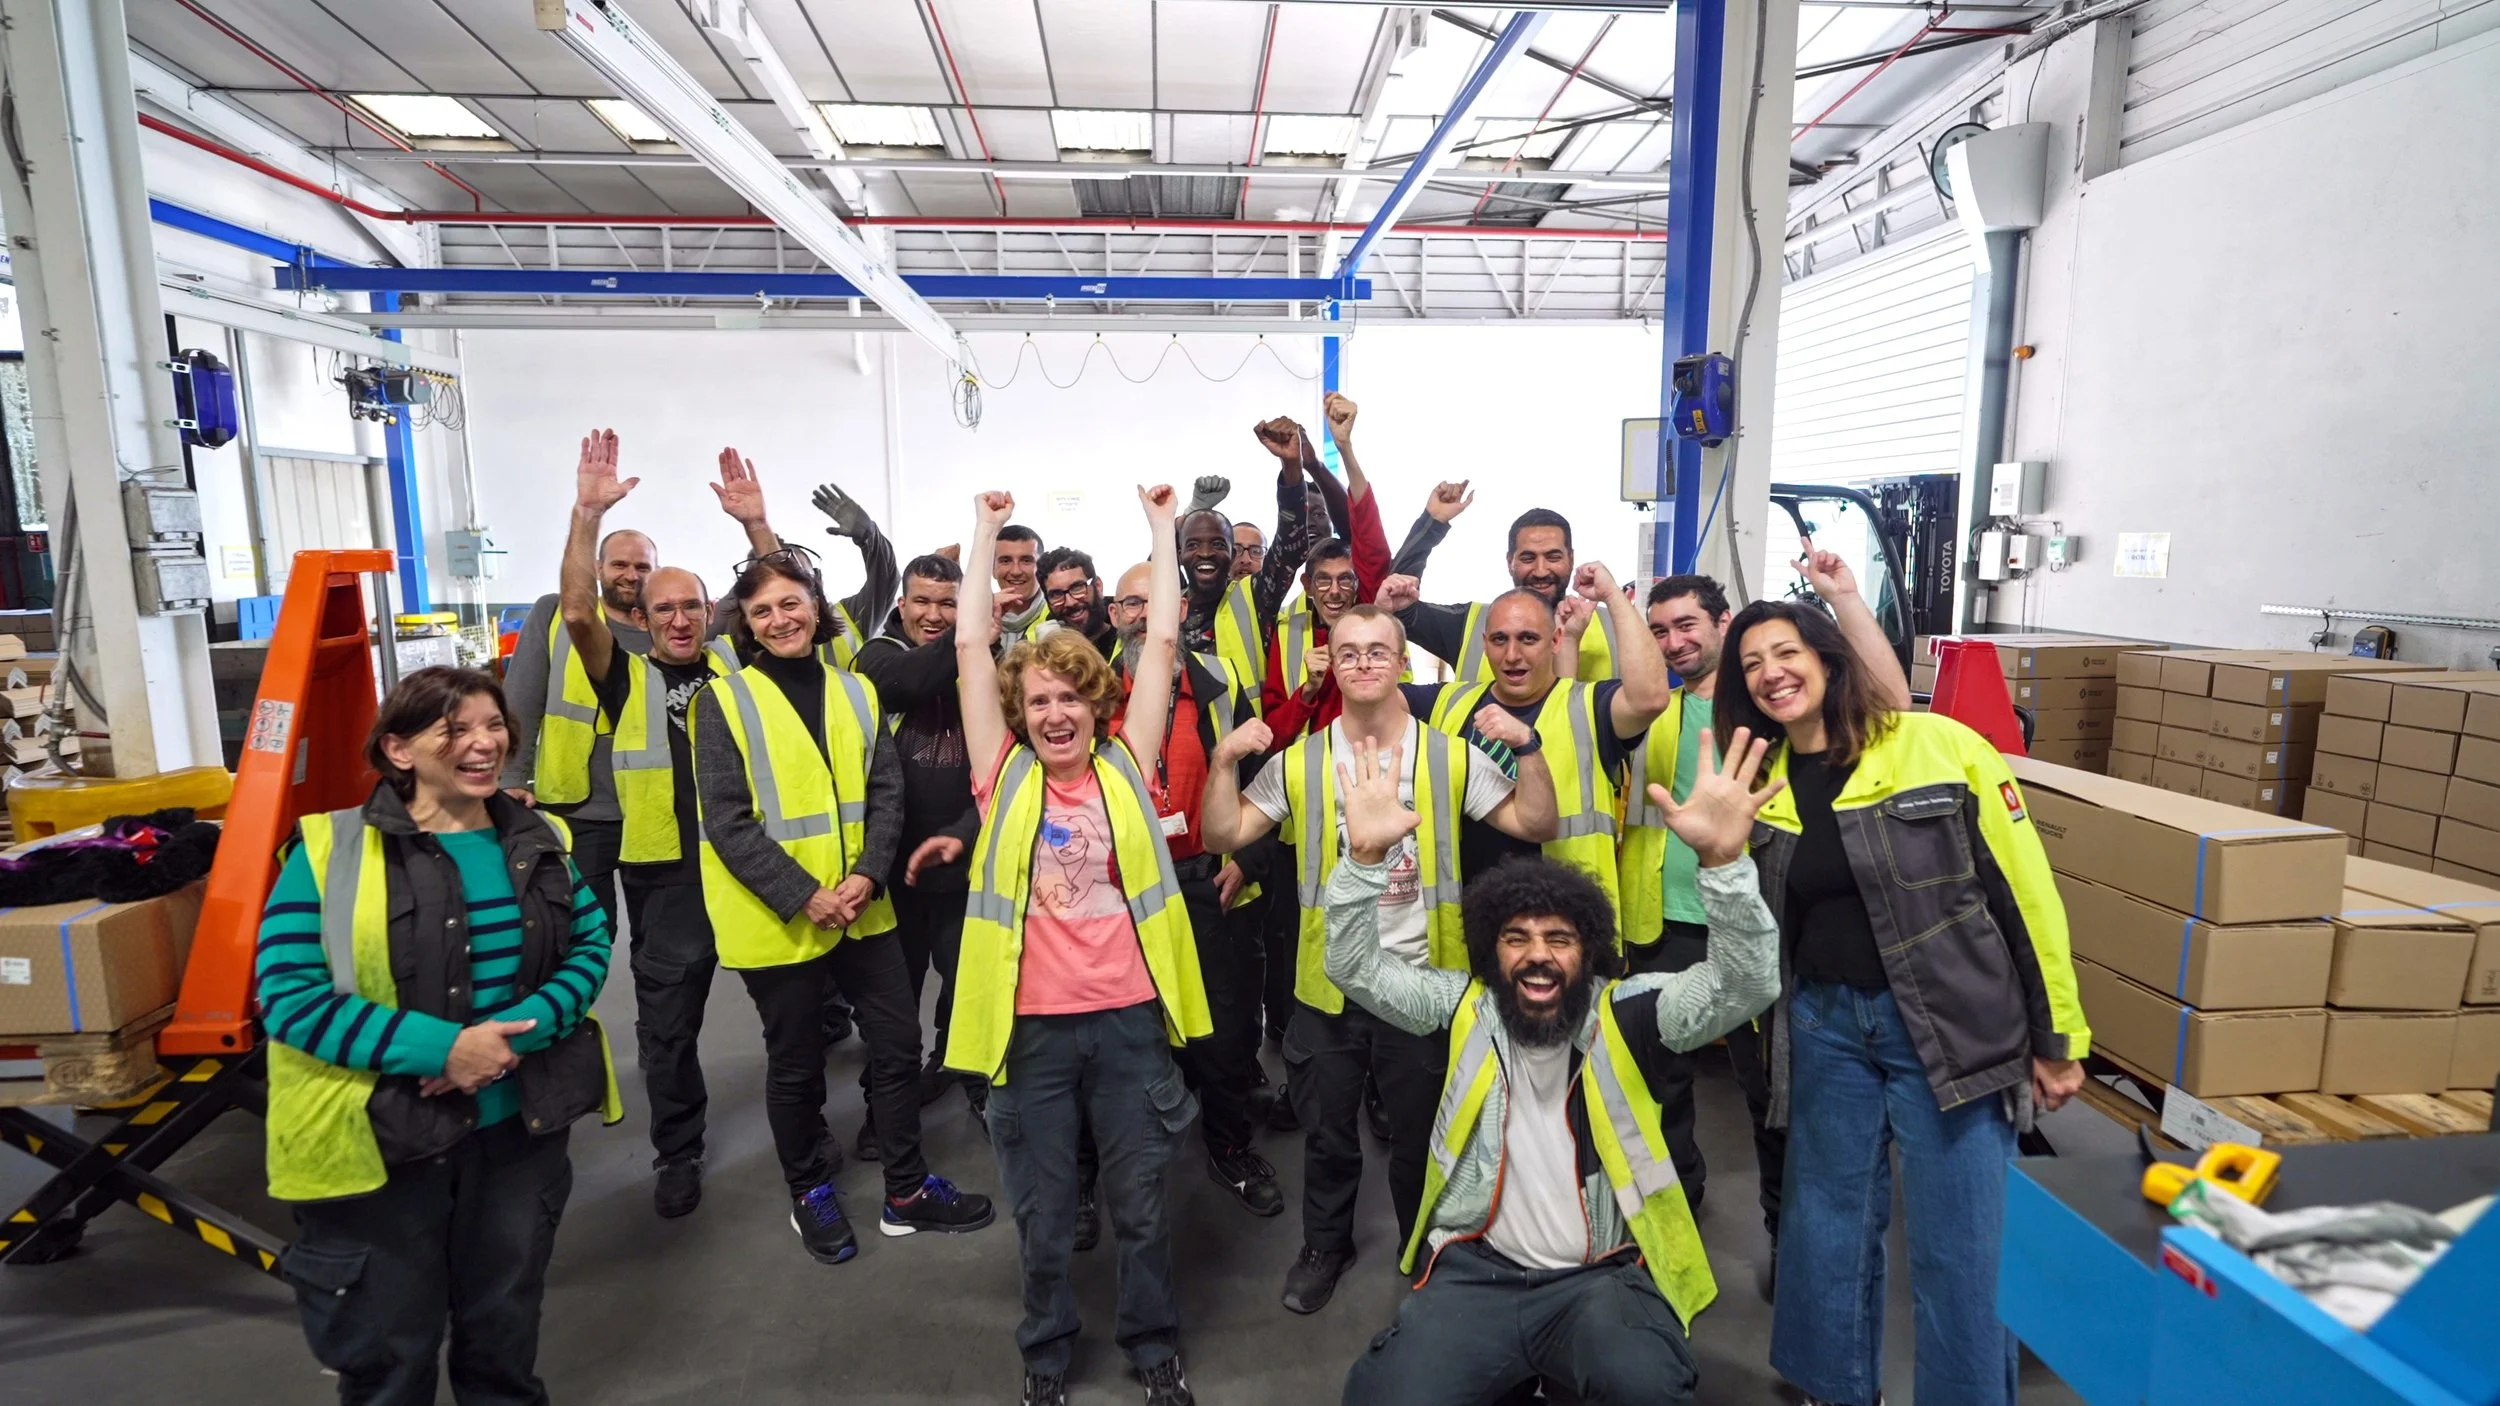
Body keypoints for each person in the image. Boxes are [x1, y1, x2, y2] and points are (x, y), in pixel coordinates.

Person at [1325, 721, 1787, 1406]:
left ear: (1588, 951)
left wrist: (1724, 867)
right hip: (1476, 1272)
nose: (1537, 954)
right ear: (1492, 952)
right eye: (1516, 938)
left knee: (1652, 1391)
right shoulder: (1461, 1009)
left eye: (1559, 939)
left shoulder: (1631, 1015)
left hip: (1600, 1276)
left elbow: (1746, 984)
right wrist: (1364, 858)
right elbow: (1353, 967)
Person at [1713, 600, 2088, 1406]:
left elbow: (2025, 894)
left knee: (1964, 1242)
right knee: (1827, 1223)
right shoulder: (1761, 782)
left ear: (1827, 656)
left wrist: (2059, 1034)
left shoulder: (1937, 747)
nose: (1771, 673)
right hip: (1825, 1025)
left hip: (1951, 1029)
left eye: (1785, 652)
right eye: (1751, 664)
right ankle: (1833, 1387)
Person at [257, 666, 618, 1405]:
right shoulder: (331, 851)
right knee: (389, 1354)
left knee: (504, 1332)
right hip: (385, 1143)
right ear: (397, 749)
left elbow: (590, 945)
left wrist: (514, 1038)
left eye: (493, 726)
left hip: (517, 1131)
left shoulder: (534, 836)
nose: (483, 744)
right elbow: (289, 998)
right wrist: (443, 1050)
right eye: (454, 730)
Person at [1199, 605, 1560, 1318]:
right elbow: (1225, 830)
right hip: (1326, 986)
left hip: (1423, 987)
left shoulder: (1448, 755)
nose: (1363, 664)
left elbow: (1534, 822)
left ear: (1403, 664)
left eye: (1377, 652)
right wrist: (1220, 763)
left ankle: (1427, 1248)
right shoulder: (1300, 761)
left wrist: (1531, 749)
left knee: (1422, 1136)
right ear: (1331, 665)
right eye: (1348, 653)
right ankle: (1325, 1246)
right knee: (1329, 1135)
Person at [950, 485, 1210, 1406]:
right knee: (1045, 1213)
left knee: (1141, 1208)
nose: (1056, 714)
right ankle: (1046, 1355)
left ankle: (1152, 1345)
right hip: (1031, 1033)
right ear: (1020, 715)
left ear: (1099, 703)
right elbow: (972, 646)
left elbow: (1165, 643)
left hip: (1130, 1023)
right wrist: (983, 532)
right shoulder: (1002, 775)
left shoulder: (1127, 765)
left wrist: (1162, 530)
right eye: (1040, 701)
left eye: (1071, 697)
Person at [691, 544, 993, 1265]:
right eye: (762, 610)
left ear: (818, 607)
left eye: (791, 603)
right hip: (783, 919)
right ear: (747, 623)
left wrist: (868, 875)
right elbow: (727, 821)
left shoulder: (854, 689)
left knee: (897, 1047)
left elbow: (885, 789)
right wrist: (805, 894)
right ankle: (809, 1191)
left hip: (865, 906)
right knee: (795, 1062)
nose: (779, 619)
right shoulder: (723, 701)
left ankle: (906, 1191)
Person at [1618, 554, 1909, 1270]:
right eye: (1658, 630)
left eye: (1688, 624)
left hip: (1766, 929)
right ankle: (1684, 1210)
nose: (1673, 640)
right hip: (1676, 921)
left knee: (1779, 1099)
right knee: (1689, 1086)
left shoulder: (1773, 721)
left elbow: (1891, 709)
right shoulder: (1656, 708)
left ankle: (1788, 1237)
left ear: (1722, 623)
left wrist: (1841, 596)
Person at [555, 431, 749, 1219]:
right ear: (641, 614)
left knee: (799, 1013)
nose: (678, 618)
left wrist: (755, 526)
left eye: (690, 605)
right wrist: (586, 515)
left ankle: (812, 1144)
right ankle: (679, 1150)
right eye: (663, 607)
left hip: (752, 865)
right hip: (668, 876)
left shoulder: (740, 665)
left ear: (709, 611)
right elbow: (573, 610)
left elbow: (790, 594)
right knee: (668, 1027)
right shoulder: (623, 678)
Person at [1105, 559, 1281, 1220]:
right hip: (1117, 888)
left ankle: (1228, 1146)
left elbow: (1263, 780)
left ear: (1181, 609)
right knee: (1120, 1029)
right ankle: (1118, 1160)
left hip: (1204, 879)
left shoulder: (1217, 683)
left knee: (1225, 1028)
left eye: (1155, 604)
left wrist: (1248, 855)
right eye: (1129, 604)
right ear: (1113, 613)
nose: (1142, 617)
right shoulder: (1090, 686)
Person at [499, 500, 764, 933]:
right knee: (584, 930)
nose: (630, 574)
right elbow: (521, 698)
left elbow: (752, 596)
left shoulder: (685, 626)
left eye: (643, 566)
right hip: (581, 805)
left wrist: (753, 523)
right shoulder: (557, 616)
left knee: (666, 938)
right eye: (619, 564)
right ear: (598, 567)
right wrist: (510, 777)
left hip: (660, 810)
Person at [1385, 561, 1670, 918]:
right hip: (1469, 919)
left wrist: (1613, 597)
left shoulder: (1588, 705)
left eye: (1528, 639)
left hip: (1567, 922)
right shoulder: (1449, 701)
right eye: (1500, 639)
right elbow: (1370, 697)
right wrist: (1382, 617)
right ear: (1485, 643)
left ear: (1555, 641)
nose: (1512, 655)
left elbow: (1651, 698)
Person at [852, 552, 984, 1115]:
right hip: (893, 867)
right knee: (892, 1000)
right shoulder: (878, 656)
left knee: (969, 986)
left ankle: (960, 1070)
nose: (933, 614)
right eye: (922, 601)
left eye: (948, 603)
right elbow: (910, 683)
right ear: (901, 605)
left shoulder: (981, 656)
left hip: (964, 860)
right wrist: (972, 635)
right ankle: (886, 1107)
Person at [1392, 502, 1621, 683]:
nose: (1541, 571)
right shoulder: (1470, 625)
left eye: (1553, 557)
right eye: (1528, 558)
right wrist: (1433, 523)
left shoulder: (1614, 625)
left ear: (1571, 559)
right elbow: (1400, 604)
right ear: (1510, 561)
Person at [1177, 415, 1316, 707]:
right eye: (1193, 544)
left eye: (1218, 544)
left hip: (1244, 743)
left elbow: (1291, 546)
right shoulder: (1162, 606)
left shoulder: (1253, 598)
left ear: (1229, 553)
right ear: (1179, 553)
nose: (1205, 553)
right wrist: (1189, 512)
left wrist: (1291, 466)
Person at [1037, 546, 1117, 654]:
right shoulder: (1038, 649)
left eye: (1077, 588)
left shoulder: (1131, 643)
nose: (1070, 602)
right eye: (1056, 594)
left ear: (1098, 586)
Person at [995, 523, 1049, 644]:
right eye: (1005, 561)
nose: (1016, 571)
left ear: (1041, 569)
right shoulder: (975, 620)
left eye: (1026, 561)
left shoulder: (1060, 617)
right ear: (993, 569)